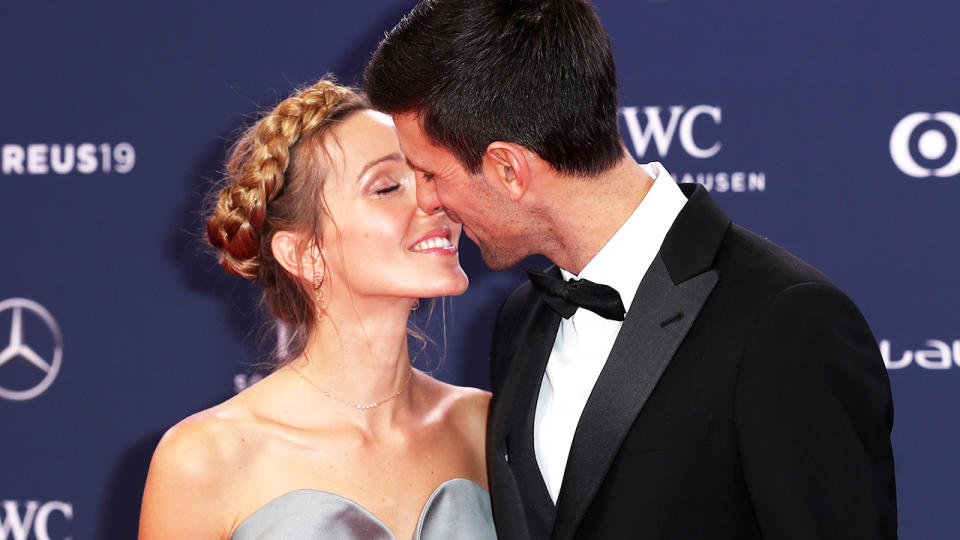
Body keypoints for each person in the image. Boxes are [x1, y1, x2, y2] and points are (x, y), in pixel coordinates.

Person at [364, 1, 898, 539]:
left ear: (509, 169)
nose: (426, 200)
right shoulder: (522, 319)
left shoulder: (786, 320)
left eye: (429, 173)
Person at [138, 78, 497, 540]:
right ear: (303, 253)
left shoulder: (484, 427)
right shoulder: (206, 458)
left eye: (427, 177)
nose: (434, 201)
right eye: (387, 187)